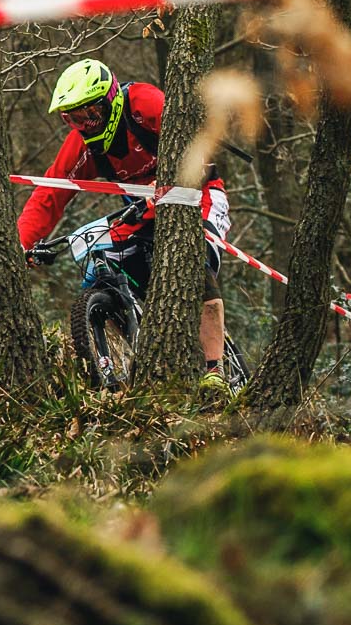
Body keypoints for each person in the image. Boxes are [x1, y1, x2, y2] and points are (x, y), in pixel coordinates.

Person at [17, 59, 233, 392]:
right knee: (98, 257)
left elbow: (197, 147)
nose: (82, 125)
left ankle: (215, 371)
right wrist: (20, 243)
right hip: (140, 211)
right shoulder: (83, 144)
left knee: (195, 264)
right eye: (71, 119)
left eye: (87, 115)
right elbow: (50, 194)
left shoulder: (145, 105)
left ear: (110, 101)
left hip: (199, 196)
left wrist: (171, 186)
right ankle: (120, 344)